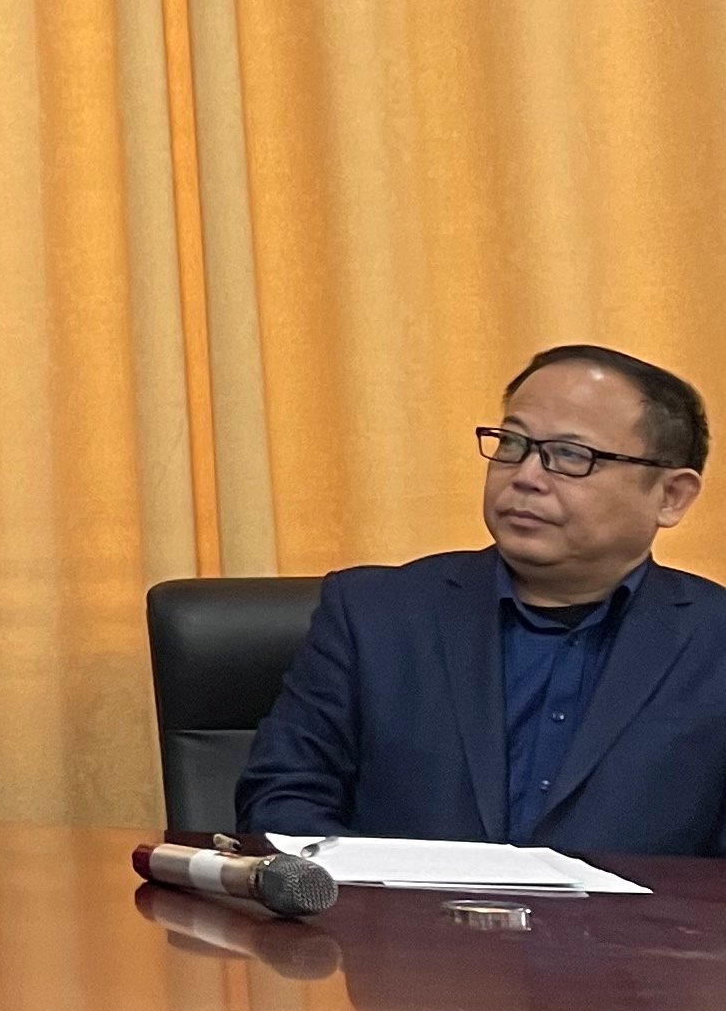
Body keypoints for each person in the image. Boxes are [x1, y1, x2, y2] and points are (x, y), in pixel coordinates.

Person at [239, 344, 726, 854]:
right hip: (400, 908)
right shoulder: (373, 615)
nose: (526, 477)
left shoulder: (713, 644)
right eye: (512, 443)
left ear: (671, 496)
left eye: (570, 456)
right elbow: (281, 803)